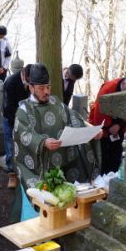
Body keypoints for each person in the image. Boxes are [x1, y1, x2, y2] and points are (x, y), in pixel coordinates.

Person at [11, 63, 102, 222]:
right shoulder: (24, 110)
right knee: (43, 203)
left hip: (62, 162)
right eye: (41, 88)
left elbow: (73, 118)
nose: (46, 91)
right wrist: (43, 142)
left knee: (67, 195)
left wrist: (91, 131)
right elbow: (23, 134)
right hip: (39, 166)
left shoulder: (55, 102)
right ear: (31, 88)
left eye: (48, 87)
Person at [89, 75, 126, 174]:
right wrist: (108, 128)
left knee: (116, 152)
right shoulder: (108, 89)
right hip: (103, 125)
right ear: (123, 85)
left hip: (118, 125)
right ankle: (102, 175)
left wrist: (119, 125)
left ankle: (114, 174)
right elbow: (99, 111)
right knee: (103, 153)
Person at [2, 64, 31, 189]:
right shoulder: (11, 82)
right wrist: (17, 122)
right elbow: (8, 106)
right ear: (24, 73)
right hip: (11, 117)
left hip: (26, 119)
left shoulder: (33, 82)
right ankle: (12, 174)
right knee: (10, 146)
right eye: (29, 79)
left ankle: (26, 173)